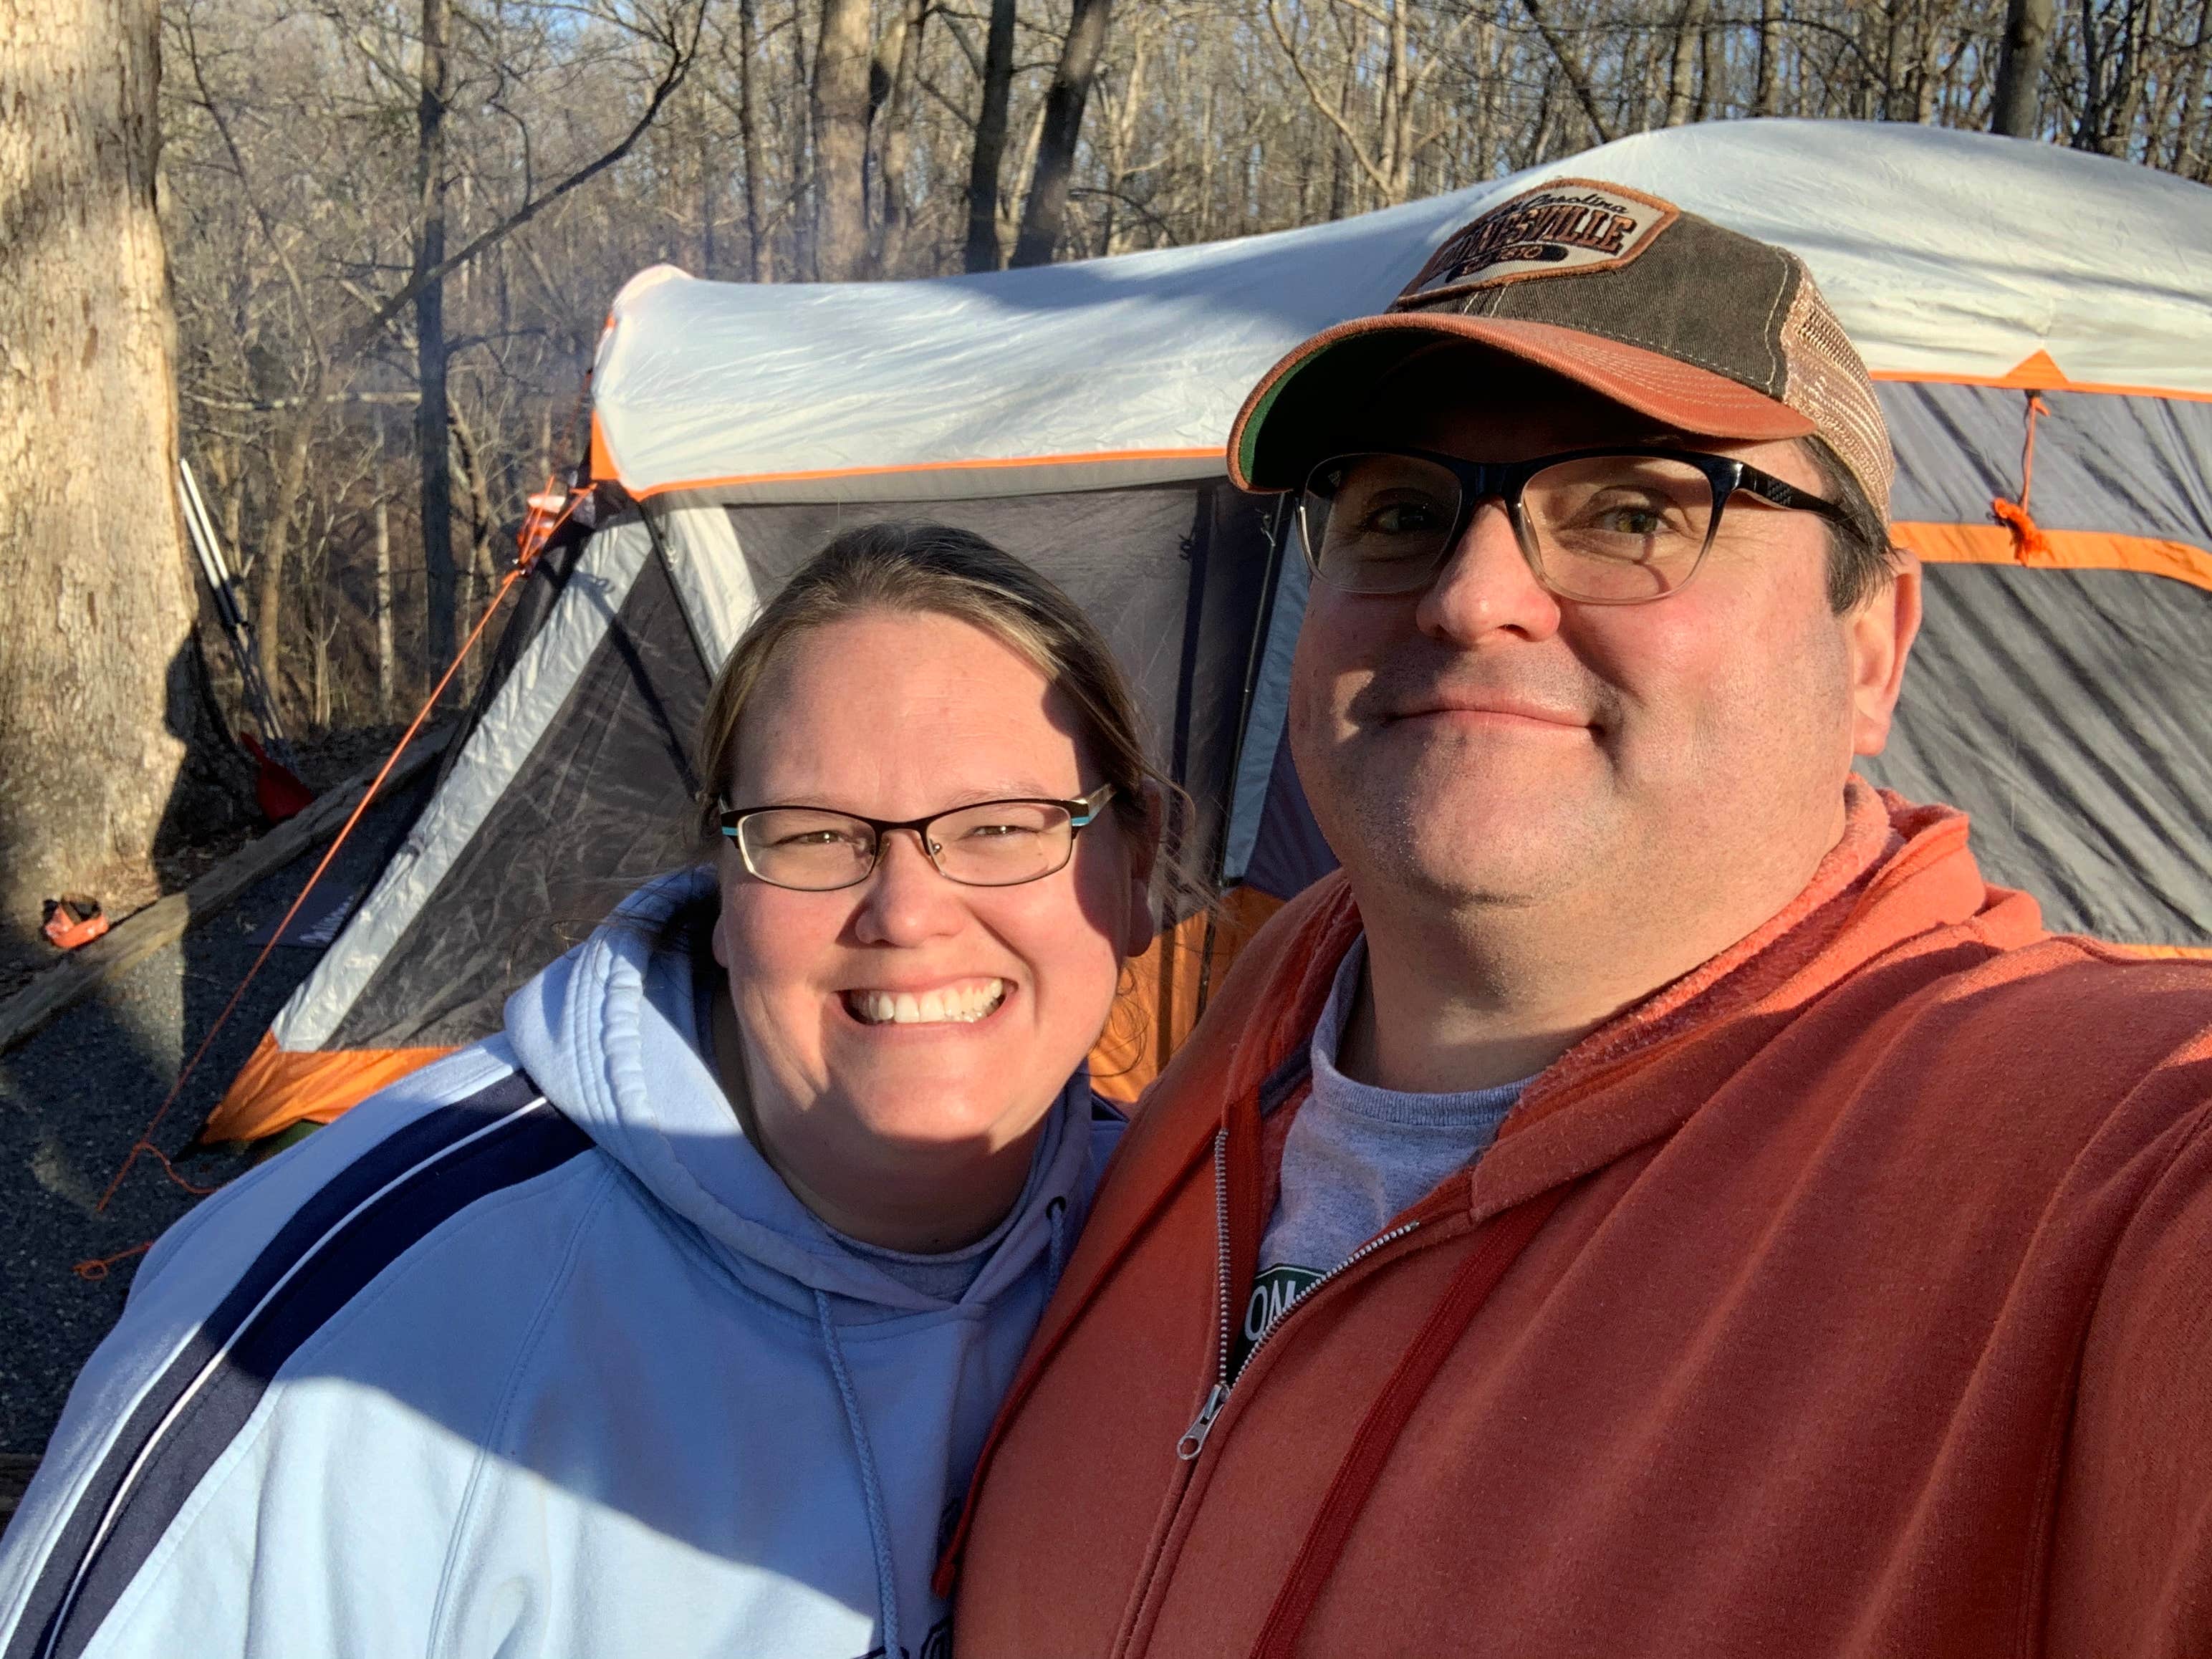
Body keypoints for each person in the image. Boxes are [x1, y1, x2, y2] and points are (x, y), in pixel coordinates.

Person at [943, 179, 2212, 1657]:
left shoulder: (2078, 1162)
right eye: (1401, 513)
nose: (1473, 596)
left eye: (1628, 510)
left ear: (1868, 649)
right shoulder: (1266, 991)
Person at [0, 523, 1160, 1659]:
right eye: (813, 835)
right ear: (724, 890)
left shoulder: (1199, 1264)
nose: (906, 913)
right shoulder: (337, 1339)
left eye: (1006, 827)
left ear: (1138, 875)